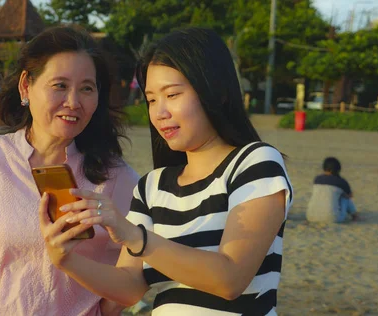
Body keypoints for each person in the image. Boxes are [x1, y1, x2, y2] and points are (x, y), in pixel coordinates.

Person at [39, 27, 293, 315]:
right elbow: (129, 288)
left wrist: (133, 235)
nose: (160, 112)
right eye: (151, 99)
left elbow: (230, 278)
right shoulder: (153, 186)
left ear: (216, 91)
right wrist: (66, 260)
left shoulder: (255, 163)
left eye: (172, 94)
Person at [0, 26, 139, 316]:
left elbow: (132, 282)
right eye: (60, 85)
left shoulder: (116, 177)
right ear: (26, 86)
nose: (73, 102)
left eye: (87, 88)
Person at [306, 157, 359, 223]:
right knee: (345, 198)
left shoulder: (317, 179)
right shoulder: (341, 181)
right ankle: (354, 215)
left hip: (310, 217)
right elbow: (350, 196)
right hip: (332, 218)